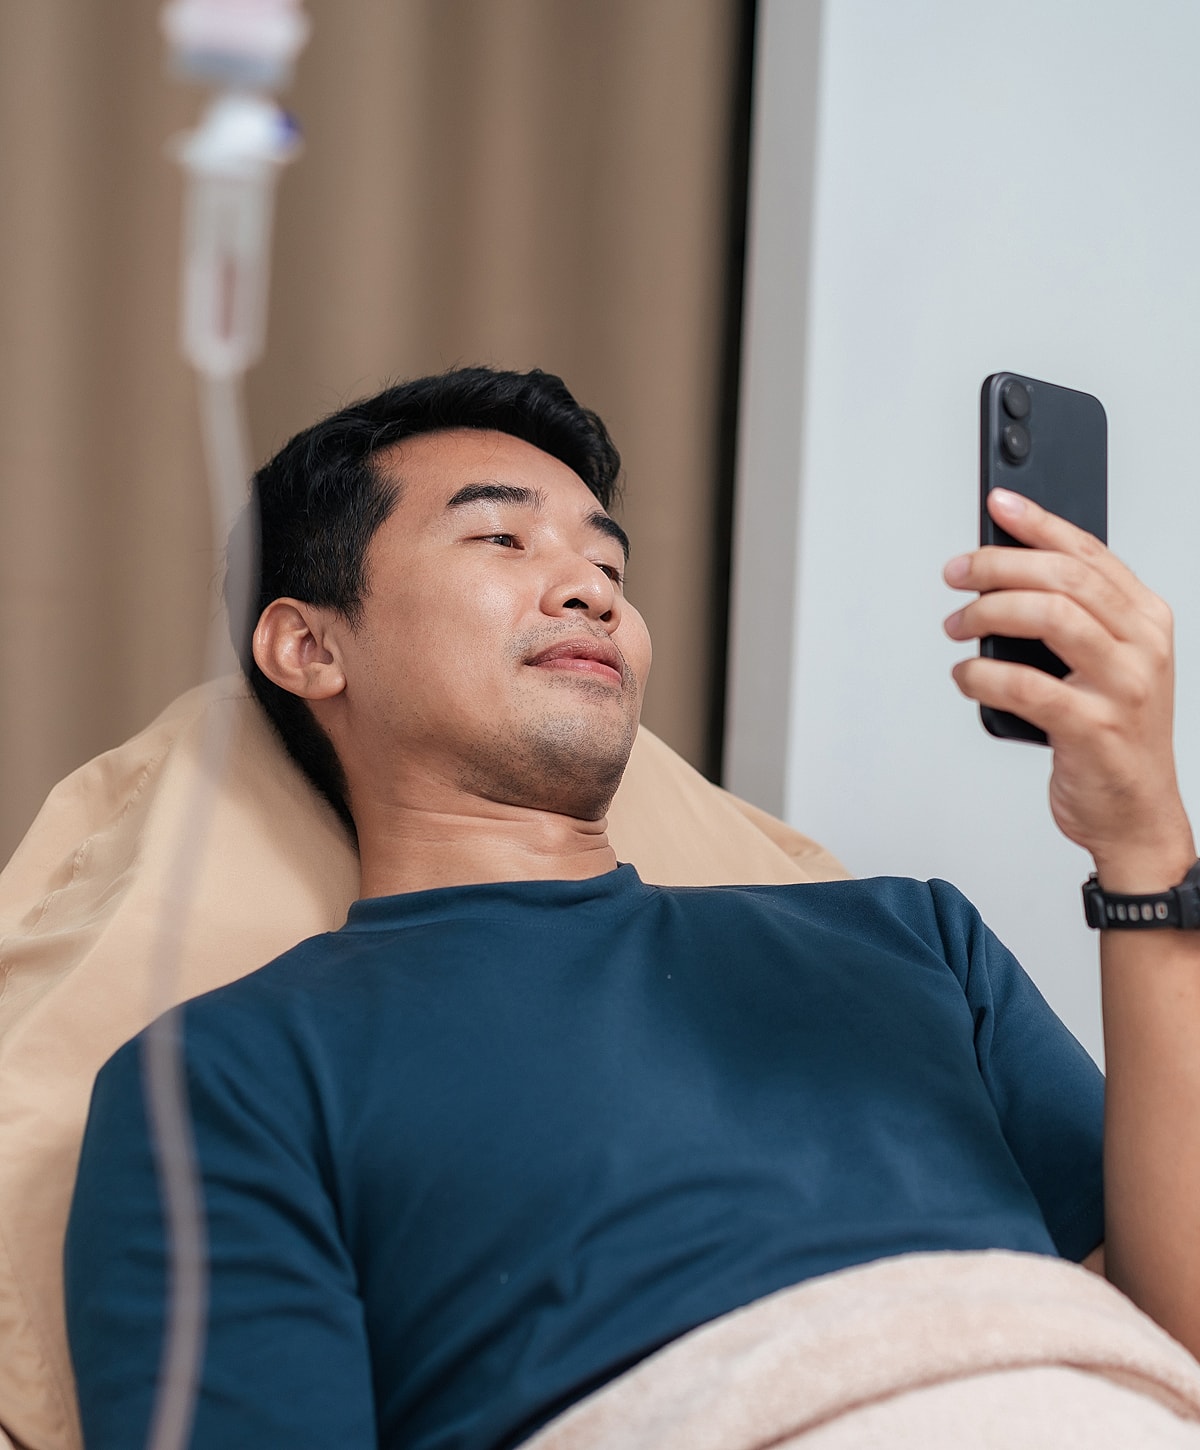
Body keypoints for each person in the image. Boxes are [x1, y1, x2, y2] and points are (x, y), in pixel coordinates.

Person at [64, 367, 1200, 1449]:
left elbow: (1180, 1343)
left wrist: (1145, 844)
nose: (591, 588)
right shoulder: (222, 1079)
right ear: (309, 644)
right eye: (502, 537)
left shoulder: (912, 940)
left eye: (608, 561)